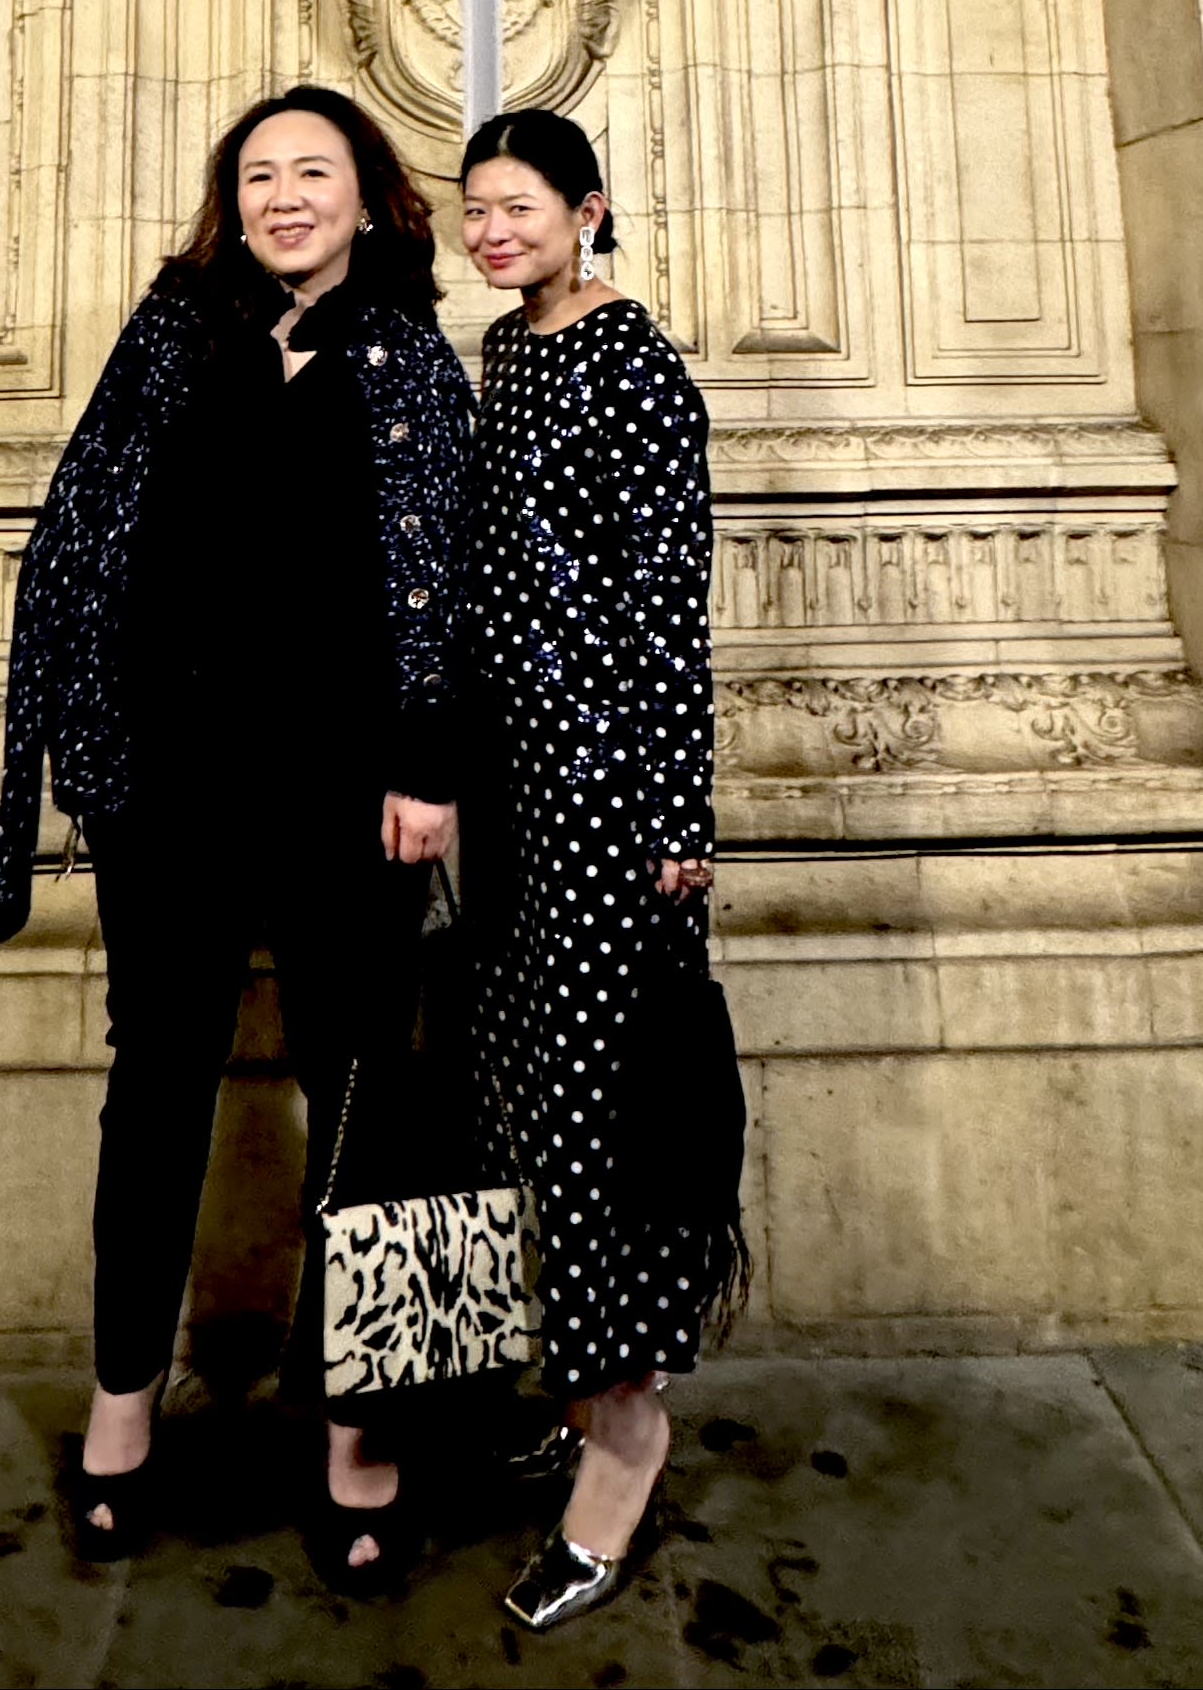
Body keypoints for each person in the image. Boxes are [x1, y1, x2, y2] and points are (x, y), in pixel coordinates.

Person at [0, 86, 473, 1582]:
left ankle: (357, 1428)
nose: (281, 196)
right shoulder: (170, 329)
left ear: (368, 194)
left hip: (348, 789)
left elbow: (444, 578)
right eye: (257, 175)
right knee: (158, 1086)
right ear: (232, 200)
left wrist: (426, 762)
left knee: (359, 1097)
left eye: (309, 172)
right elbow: (84, 519)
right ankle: (122, 1403)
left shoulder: (409, 356)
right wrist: (86, 723)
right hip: (174, 783)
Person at [457, 108, 749, 1631]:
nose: (493, 232)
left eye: (520, 207)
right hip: (504, 795)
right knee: (527, 1096)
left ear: (588, 211)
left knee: (597, 1124)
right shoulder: (509, 352)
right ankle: (585, 1384)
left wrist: (673, 823)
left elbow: (663, 602)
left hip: (601, 805)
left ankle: (624, 1441)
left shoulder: (632, 364)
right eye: (475, 210)